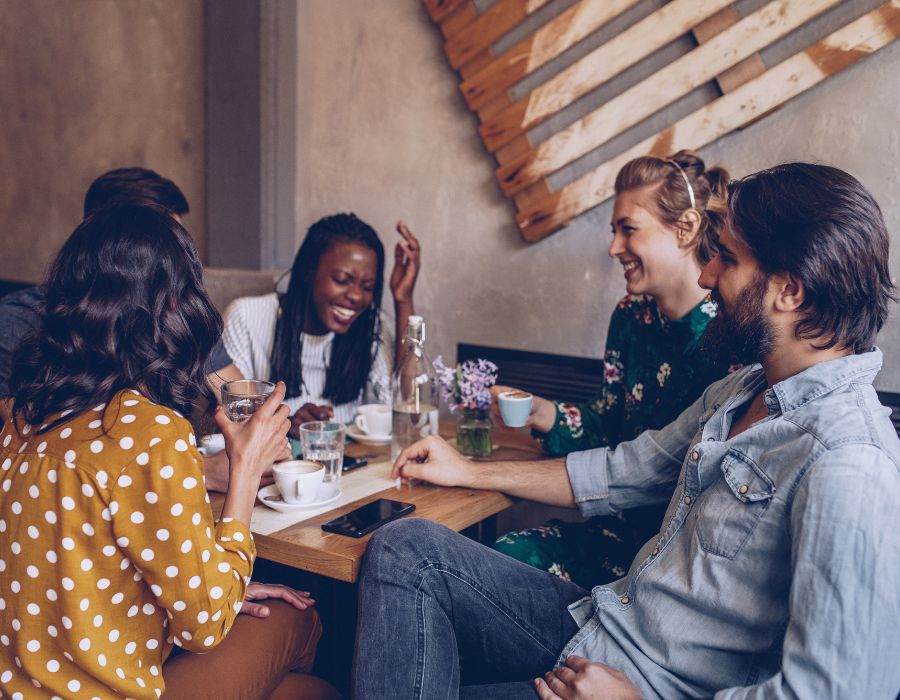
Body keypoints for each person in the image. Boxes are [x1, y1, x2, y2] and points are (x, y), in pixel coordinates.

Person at [353, 163, 900, 698]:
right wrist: (471, 469)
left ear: (791, 292)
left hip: (643, 686)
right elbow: (622, 471)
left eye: (726, 260)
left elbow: (843, 689)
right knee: (404, 548)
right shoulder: (742, 391)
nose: (707, 276)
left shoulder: (849, 462)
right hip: (600, 627)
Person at [0, 203, 337, 699]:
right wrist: (244, 469)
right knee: (299, 626)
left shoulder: (23, 420)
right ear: (172, 306)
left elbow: (88, 563)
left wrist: (212, 576)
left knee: (290, 689)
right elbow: (204, 625)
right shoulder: (150, 430)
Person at [492, 151, 734, 587]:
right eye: (613, 231)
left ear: (687, 227)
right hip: (611, 534)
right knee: (502, 558)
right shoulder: (630, 316)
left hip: (679, 559)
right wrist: (541, 412)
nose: (613, 248)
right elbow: (608, 427)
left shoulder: (730, 333)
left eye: (629, 230)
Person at [0, 167, 242, 492]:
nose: (176, 258)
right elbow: (37, 458)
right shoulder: (18, 326)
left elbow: (238, 394)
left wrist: (253, 445)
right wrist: (199, 472)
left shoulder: (172, 309)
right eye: (163, 243)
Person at [223, 212, 421, 430]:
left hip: (352, 458)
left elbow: (407, 405)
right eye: (341, 280)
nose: (355, 296)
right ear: (309, 271)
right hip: (278, 461)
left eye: (367, 287)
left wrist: (403, 300)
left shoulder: (370, 325)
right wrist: (286, 425)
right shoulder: (247, 317)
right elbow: (232, 422)